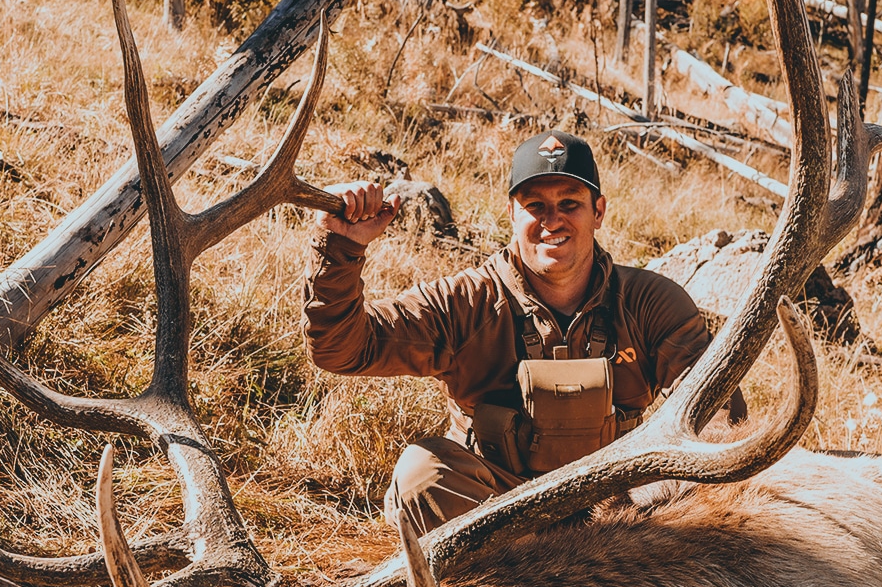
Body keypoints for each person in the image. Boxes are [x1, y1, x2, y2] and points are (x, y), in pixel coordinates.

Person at [304, 131, 731, 533]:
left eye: (569, 204)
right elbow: (343, 350)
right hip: (496, 511)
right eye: (535, 205)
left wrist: (657, 496)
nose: (552, 221)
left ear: (598, 212)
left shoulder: (652, 303)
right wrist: (340, 245)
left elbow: (721, 415)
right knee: (420, 477)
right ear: (511, 212)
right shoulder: (466, 302)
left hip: (618, 510)